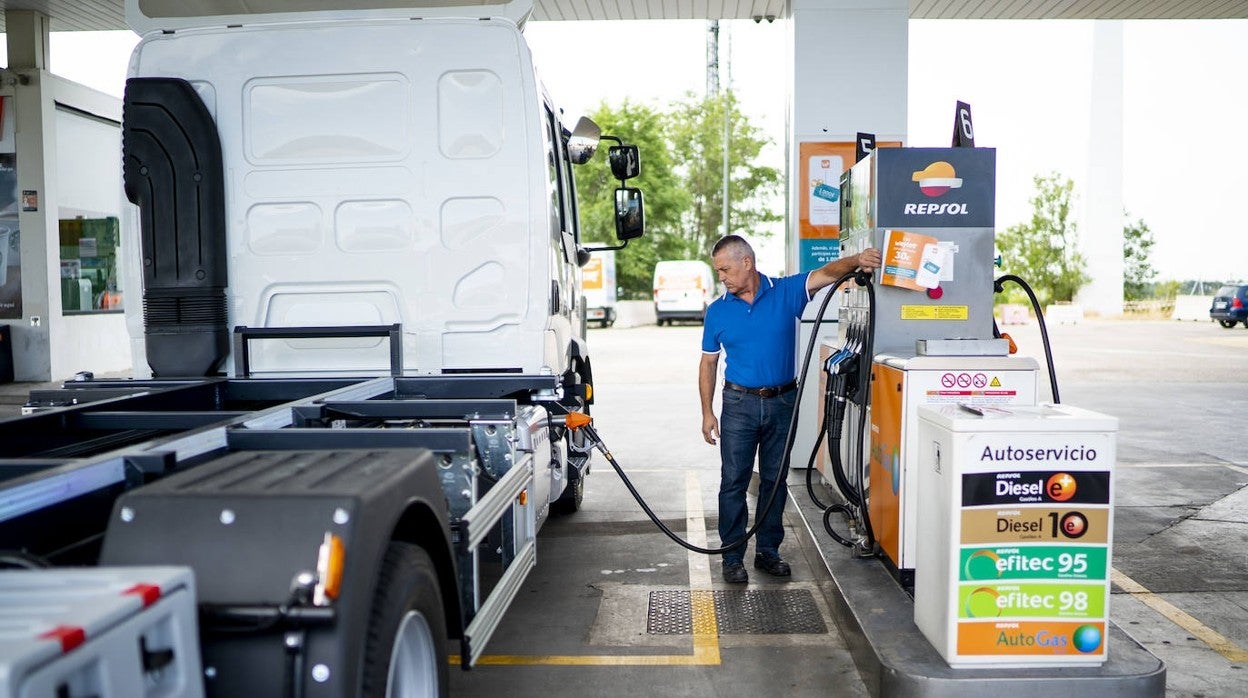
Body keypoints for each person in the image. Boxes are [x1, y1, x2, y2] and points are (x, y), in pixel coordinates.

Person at [699, 235, 882, 584]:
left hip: (783, 401)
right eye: (719, 271)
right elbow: (708, 364)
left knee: (774, 479)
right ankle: (732, 557)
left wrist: (858, 258)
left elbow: (828, 273)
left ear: (746, 263)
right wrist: (707, 412)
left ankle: (769, 551)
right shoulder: (718, 310)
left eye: (725, 269)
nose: (721, 277)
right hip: (738, 404)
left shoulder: (786, 291)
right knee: (733, 481)